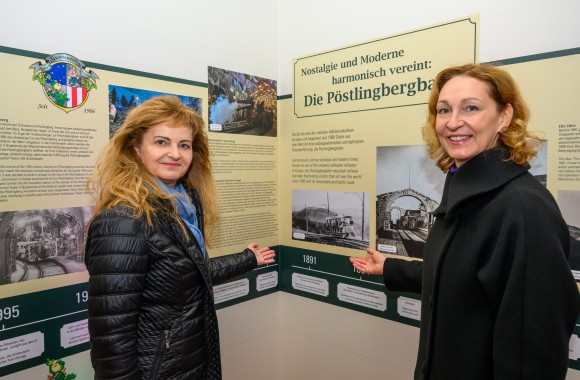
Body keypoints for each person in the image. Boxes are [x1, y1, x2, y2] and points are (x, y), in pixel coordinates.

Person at [350, 64, 580, 380]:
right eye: (444, 110)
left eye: (471, 107)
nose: (454, 122)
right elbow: (459, 275)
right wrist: (389, 267)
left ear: (504, 116)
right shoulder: (468, 192)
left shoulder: (522, 207)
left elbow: (535, 352)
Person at [84, 95, 275, 379]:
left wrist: (248, 259)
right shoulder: (123, 220)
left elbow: (187, 273)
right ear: (136, 148)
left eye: (183, 145)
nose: (175, 153)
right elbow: (112, 338)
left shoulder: (182, 203)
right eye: (161, 142)